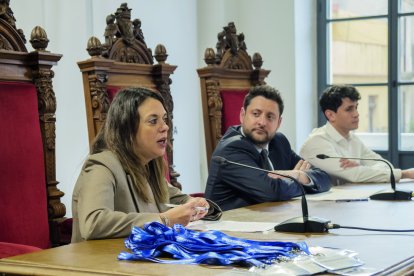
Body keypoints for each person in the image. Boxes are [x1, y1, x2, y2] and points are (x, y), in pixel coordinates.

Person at [72, 87, 219, 243]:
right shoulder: (101, 166)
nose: (165, 127)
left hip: (142, 260)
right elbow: (94, 222)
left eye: (164, 119)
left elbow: (180, 200)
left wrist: (196, 206)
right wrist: (164, 220)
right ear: (127, 129)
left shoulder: (148, 165)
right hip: (99, 262)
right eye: (153, 121)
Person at [205, 85, 332, 211]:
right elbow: (272, 192)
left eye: (270, 117)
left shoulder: (279, 142)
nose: (262, 122)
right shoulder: (230, 150)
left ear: (279, 123)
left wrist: (298, 175)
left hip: (271, 221)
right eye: (256, 114)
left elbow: (324, 178)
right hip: (230, 228)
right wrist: (298, 180)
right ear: (242, 115)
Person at [300, 85, 414, 185]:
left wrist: (359, 167)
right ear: (330, 115)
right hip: (322, 207)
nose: (356, 114)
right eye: (349, 109)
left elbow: (385, 165)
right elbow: (355, 176)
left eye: (356, 107)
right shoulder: (316, 142)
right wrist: (405, 174)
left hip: (350, 204)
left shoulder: (352, 139)